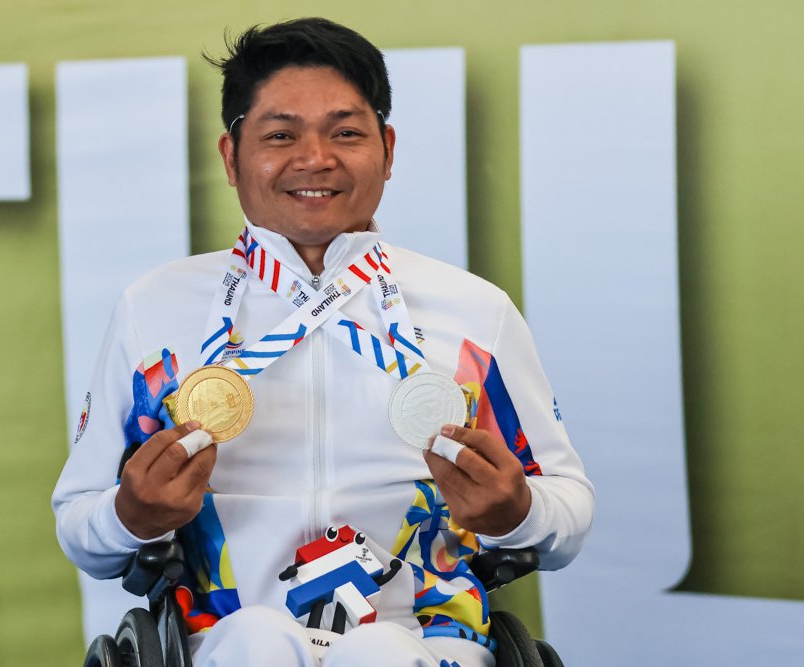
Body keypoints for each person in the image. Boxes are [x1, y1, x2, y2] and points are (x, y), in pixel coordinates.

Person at [53, 17, 593, 667]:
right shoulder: (155, 309)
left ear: (387, 150)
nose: (315, 159)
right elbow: (80, 524)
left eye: (345, 132)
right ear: (232, 156)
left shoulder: (476, 311)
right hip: (222, 640)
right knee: (259, 641)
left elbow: (569, 511)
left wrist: (518, 510)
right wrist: (129, 516)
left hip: (429, 639)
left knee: (379, 656)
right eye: (281, 135)